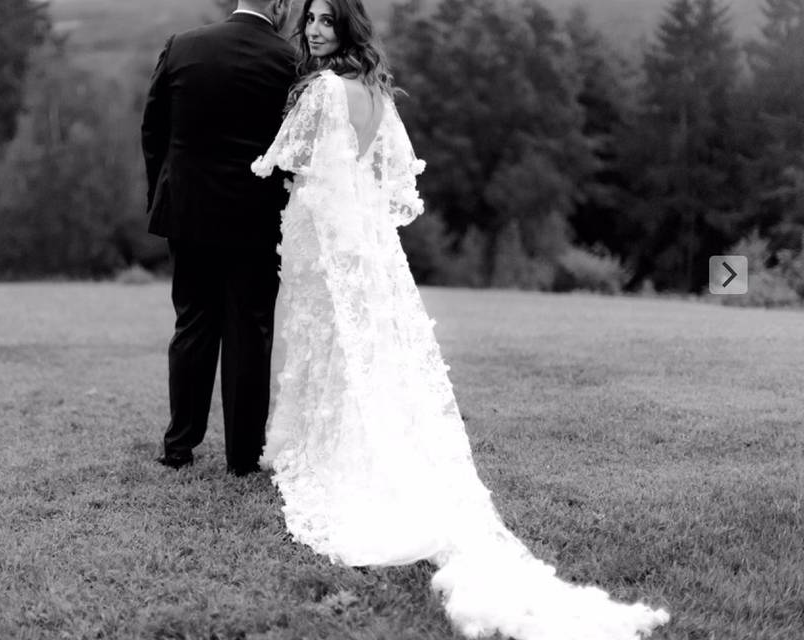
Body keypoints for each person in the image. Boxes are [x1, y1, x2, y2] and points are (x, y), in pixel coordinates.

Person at [251, 1, 672, 637]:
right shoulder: (375, 91)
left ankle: (327, 451)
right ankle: (327, 440)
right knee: (357, 351)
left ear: (347, 29)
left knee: (332, 348)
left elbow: (279, 161)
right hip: (365, 241)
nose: (313, 29)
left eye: (326, 21)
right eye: (310, 18)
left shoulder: (322, 90)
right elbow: (389, 182)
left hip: (329, 242)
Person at [141, 0, 296, 476]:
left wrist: (166, 195)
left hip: (189, 215)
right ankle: (243, 457)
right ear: (280, 4)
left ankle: (179, 448)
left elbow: (154, 131)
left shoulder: (183, 46)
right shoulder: (292, 63)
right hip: (258, 220)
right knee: (251, 332)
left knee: (193, 325)